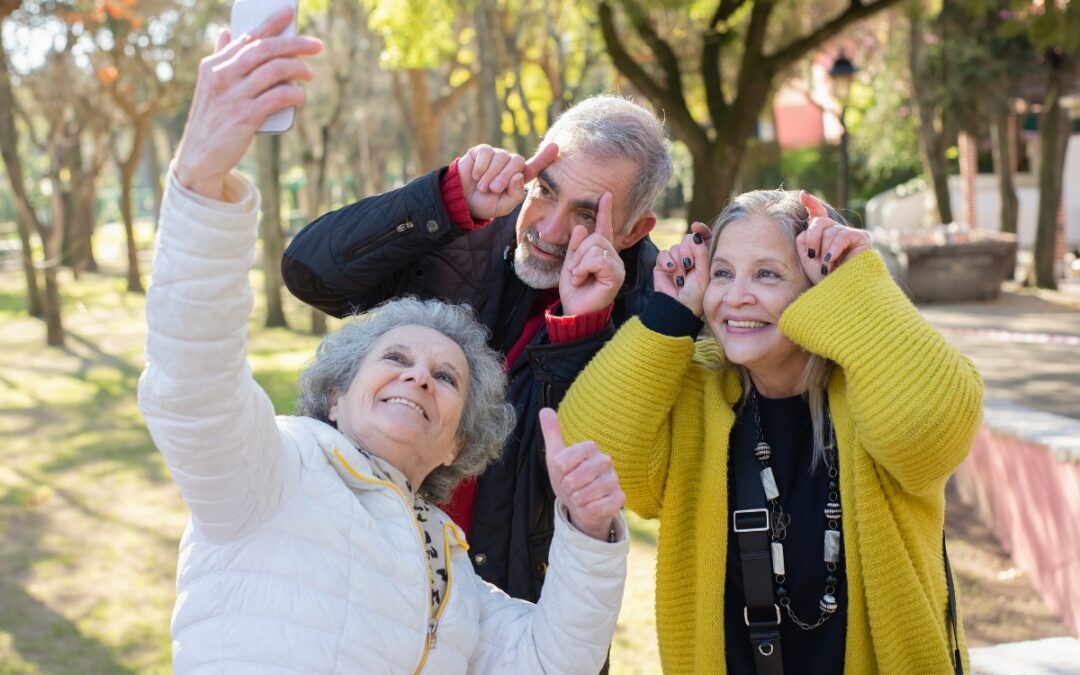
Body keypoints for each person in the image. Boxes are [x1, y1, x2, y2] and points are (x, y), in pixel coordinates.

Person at [138, 9, 630, 673]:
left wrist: (589, 533)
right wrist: (199, 183)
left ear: (460, 442)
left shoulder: (451, 572)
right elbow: (191, 385)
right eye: (395, 357)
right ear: (336, 395)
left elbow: (553, 659)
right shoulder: (272, 473)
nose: (419, 376)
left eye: (447, 377)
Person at [556, 189, 984, 674]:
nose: (737, 296)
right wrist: (669, 313)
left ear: (818, 287)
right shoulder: (696, 392)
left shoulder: (874, 384)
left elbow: (926, 433)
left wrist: (859, 284)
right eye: (722, 273)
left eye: (767, 273)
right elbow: (589, 453)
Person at [282, 89, 673, 603]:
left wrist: (581, 326)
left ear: (634, 230)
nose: (549, 229)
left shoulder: (655, 311)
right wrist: (445, 198)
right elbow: (311, 275)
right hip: (376, 574)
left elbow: (577, 472)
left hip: (517, 608)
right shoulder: (465, 226)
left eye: (584, 214)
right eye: (546, 190)